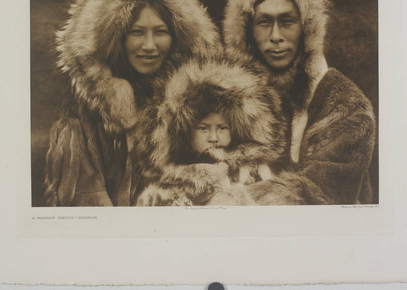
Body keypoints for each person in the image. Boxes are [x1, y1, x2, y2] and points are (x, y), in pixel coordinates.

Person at [42, 0, 220, 206]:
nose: (149, 45)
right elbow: (84, 199)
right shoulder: (85, 112)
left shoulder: (198, 104)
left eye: (160, 32)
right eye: (137, 32)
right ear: (117, 39)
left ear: (176, 37)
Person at [223, 0, 376, 204]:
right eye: (264, 22)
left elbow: (322, 192)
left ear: (306, 29)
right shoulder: (228, 96)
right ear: (247, 31)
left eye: (287, 22)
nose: (275, 37)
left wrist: (235, 200)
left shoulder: (346, 103)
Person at [133, 52, 329, 206]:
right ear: (185, 133)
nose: (213, 137)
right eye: (203, 128)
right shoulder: (172, 174)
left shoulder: (251, 170)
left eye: (222, 128)